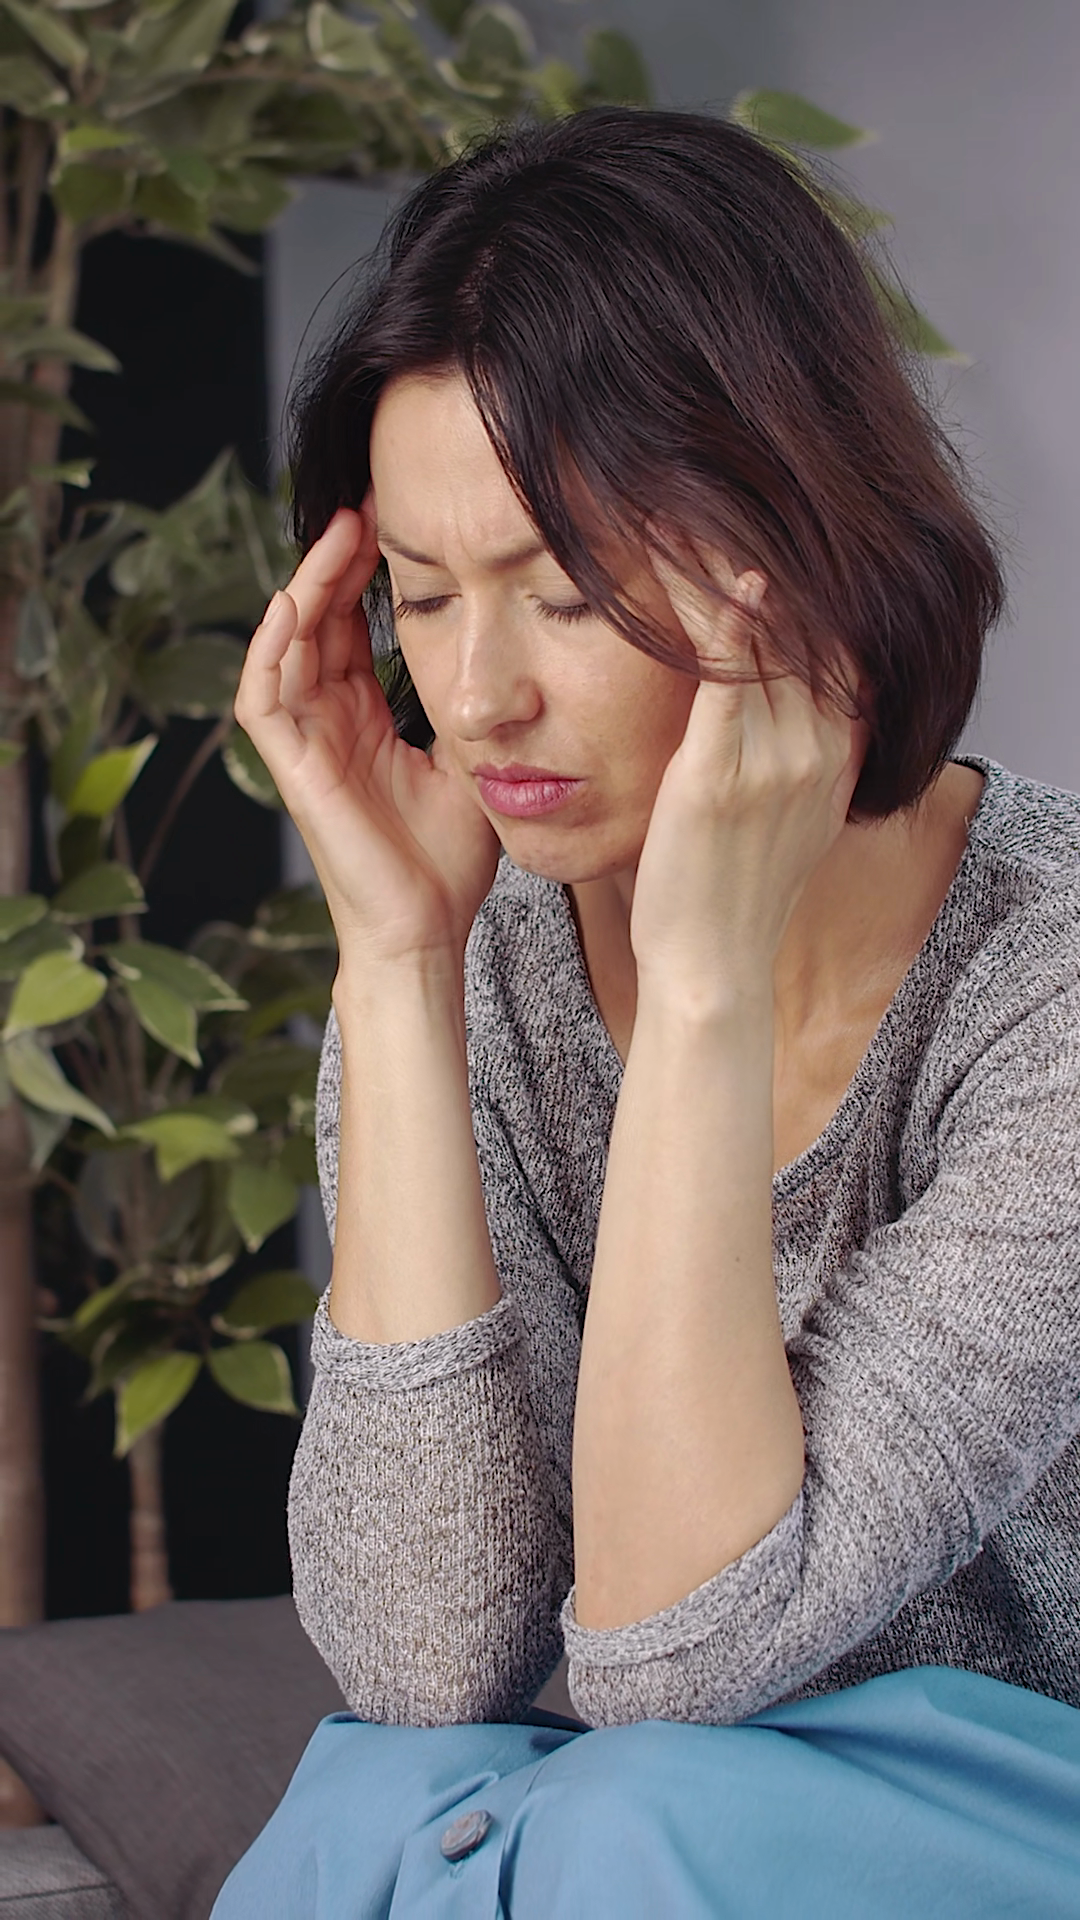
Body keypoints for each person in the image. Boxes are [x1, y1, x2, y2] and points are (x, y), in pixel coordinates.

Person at [211, 104, 1080, 1917]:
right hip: (690, 1812)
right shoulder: (489, 944)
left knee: (612, 1821)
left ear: (802, 546)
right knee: (384, 1802)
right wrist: (399, 970)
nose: (476, 696)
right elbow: (419, 1661)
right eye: (423, 598)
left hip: (1021, 1792)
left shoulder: (1051, 984)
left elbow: (673, 1654)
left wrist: (698, 987)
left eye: (569, 592)